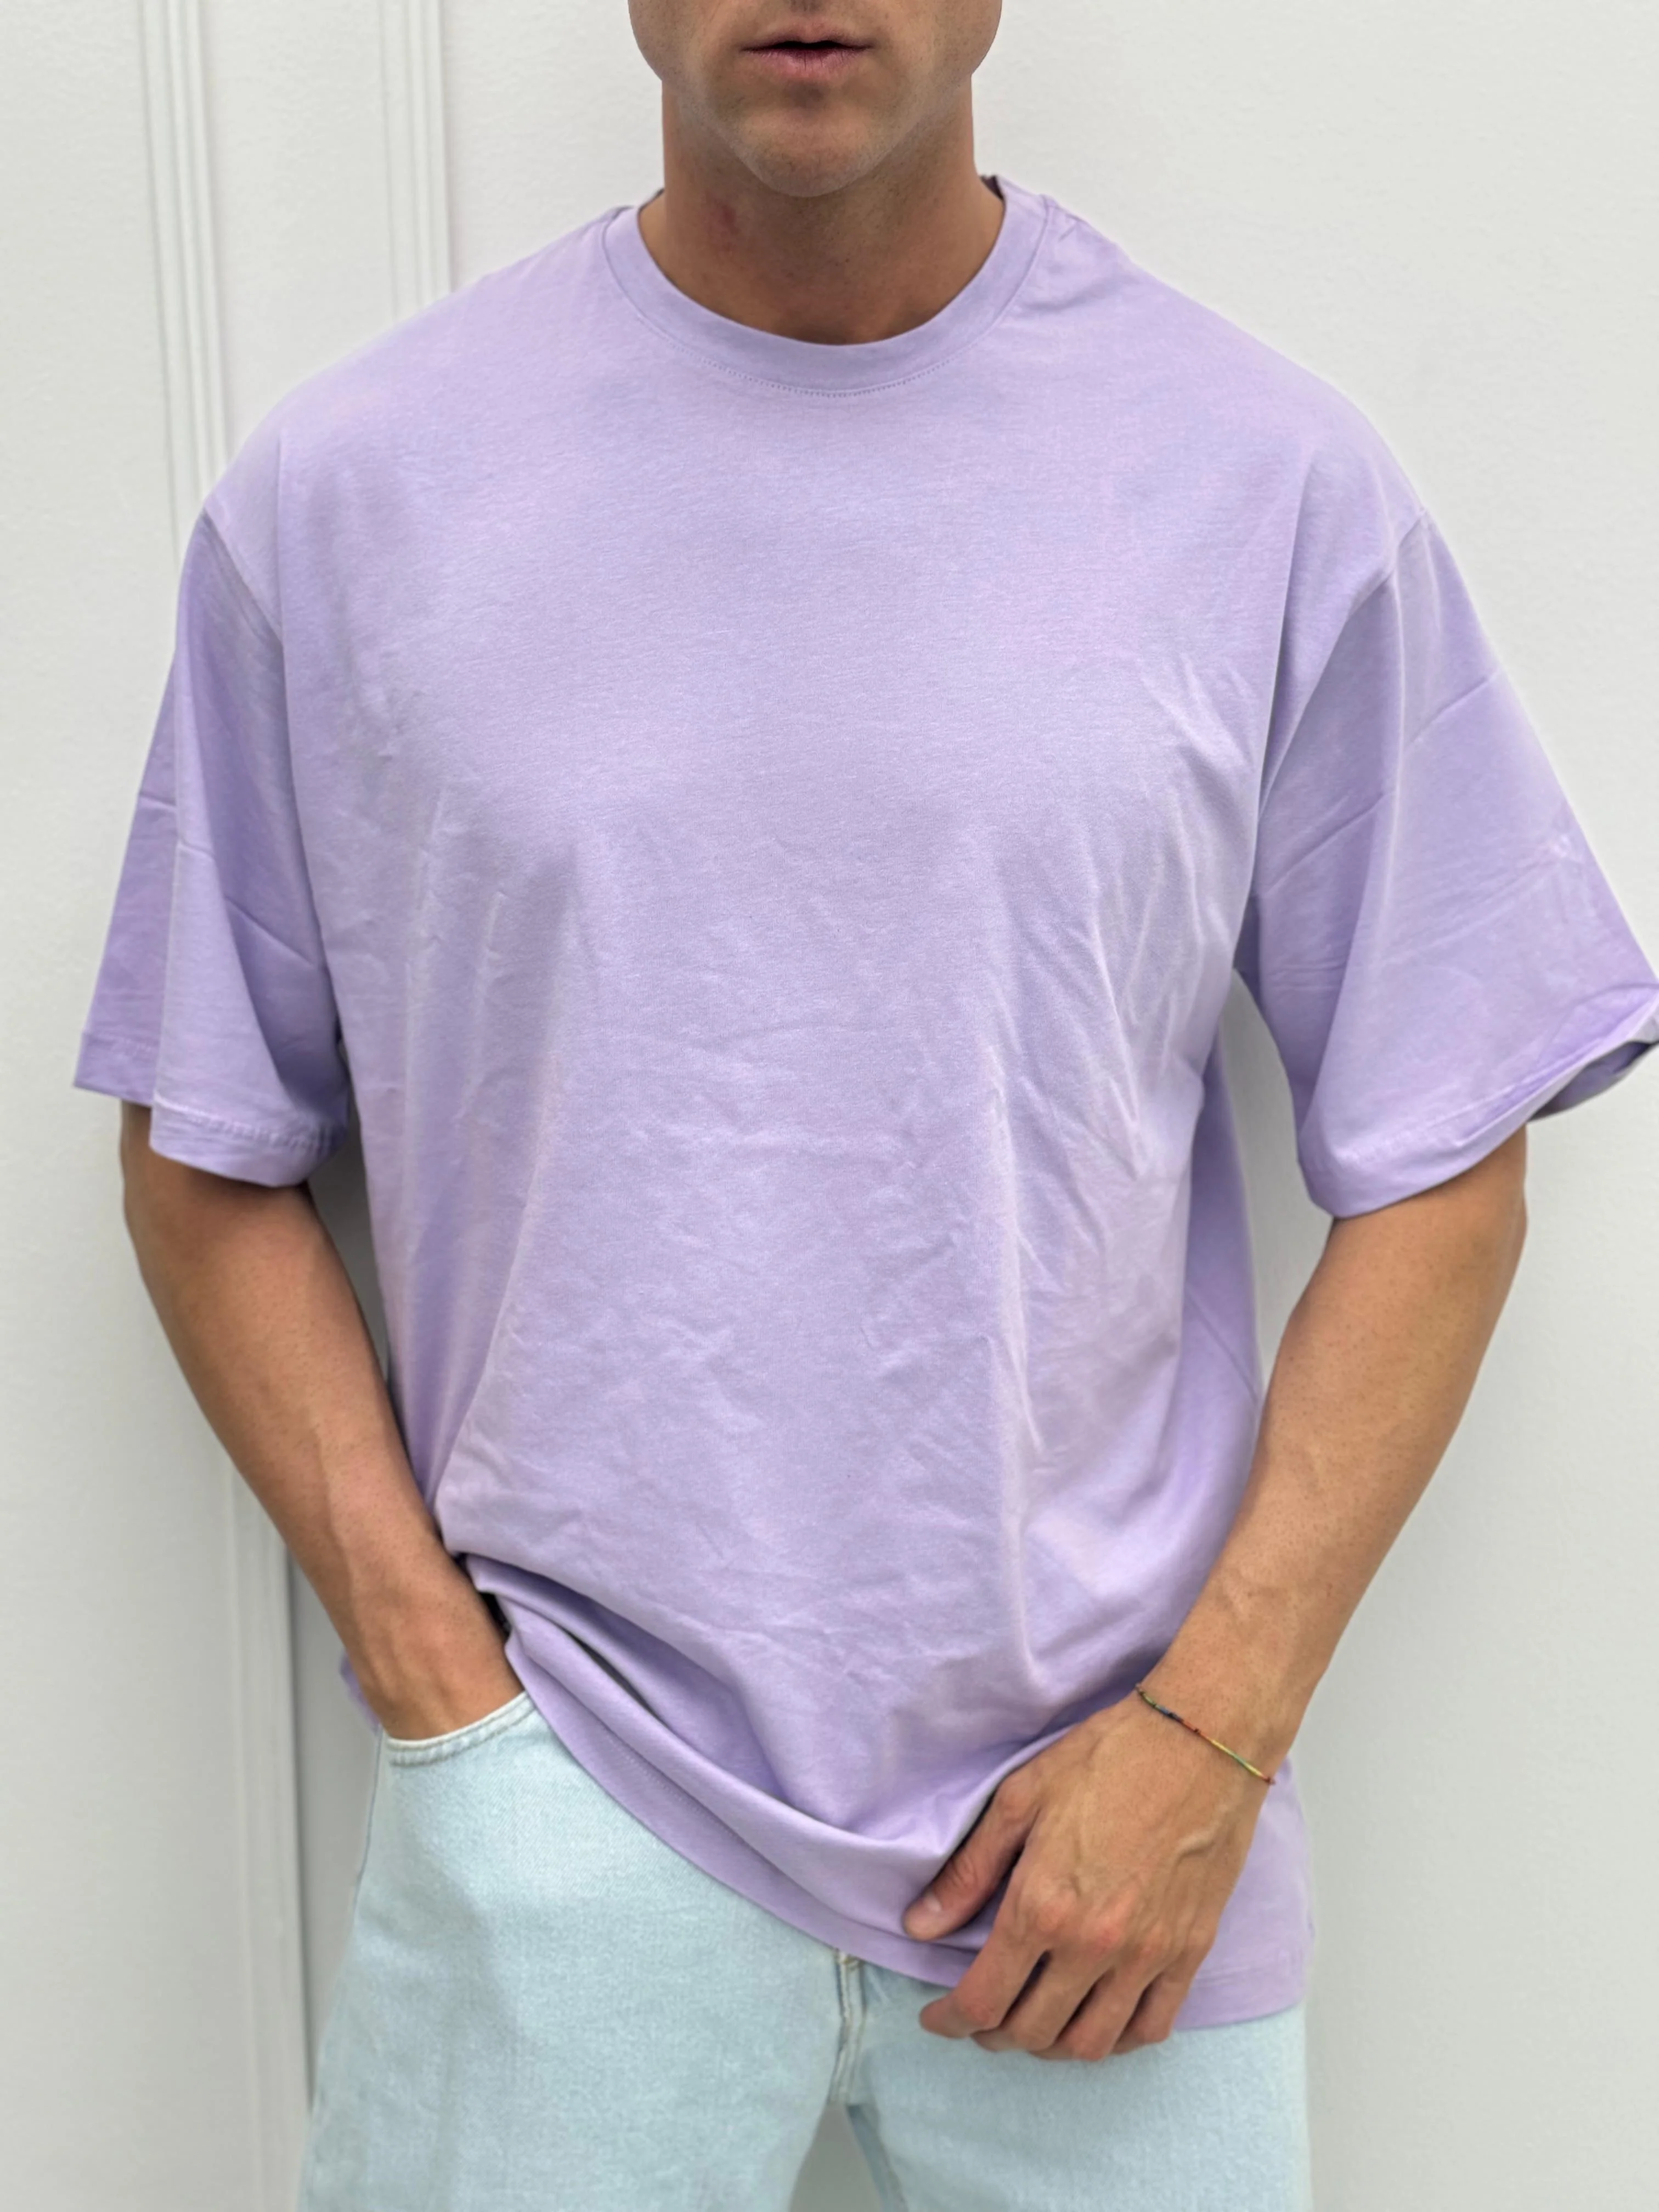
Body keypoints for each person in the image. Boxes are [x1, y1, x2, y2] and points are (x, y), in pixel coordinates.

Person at [72, 4, 1659, 2208]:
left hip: (1112, 1855)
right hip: (571, 1814)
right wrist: (452, 1703)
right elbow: (203, 1144)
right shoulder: (352, 495)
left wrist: (1212, 1730)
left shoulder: (1264, 481)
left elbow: (1448, 1152)